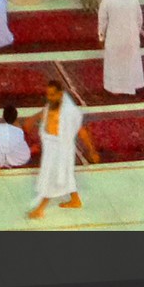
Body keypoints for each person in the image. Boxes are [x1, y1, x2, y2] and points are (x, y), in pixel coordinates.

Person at [26, 84, 92, 219]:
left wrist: (91, 150)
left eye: (52, 94)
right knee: (65, 174)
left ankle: (40, 209)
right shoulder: (50, 105)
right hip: (51, 147)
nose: (48, 97)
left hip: (62, 149)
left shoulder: (69, 111)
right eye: (47, 94)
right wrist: (32, 119)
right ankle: (75, 200)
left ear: (60, 94)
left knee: (53, 177)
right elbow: (43, 114)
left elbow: (81, 131)